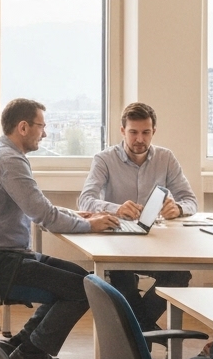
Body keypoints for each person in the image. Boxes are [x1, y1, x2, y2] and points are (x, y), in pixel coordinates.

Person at [0, 98, 119, 359]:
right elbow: (43, 215)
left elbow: (40, 207)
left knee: (82, 278)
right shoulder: (9, 160)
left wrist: (76, 214)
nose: (44, 133)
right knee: (83, 289)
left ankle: (25, 343)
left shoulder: (0, 152)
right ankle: (33, 353)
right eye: (41, 126)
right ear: (23, 127)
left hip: (2, 253)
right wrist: (90, 225)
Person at [79, 102, 199, 330]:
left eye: (145, 132)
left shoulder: (166, 158)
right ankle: (146, 333)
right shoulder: (104, 159)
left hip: (156, 244)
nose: (139, 139)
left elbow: (191, 201)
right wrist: (116, 208)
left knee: (179, 276)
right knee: (121, 278)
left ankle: (138, 332)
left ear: (154, 131)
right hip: (117, 244)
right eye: (133, 132)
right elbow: (85, 200)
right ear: (123, 131)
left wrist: (179, 209)